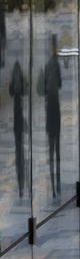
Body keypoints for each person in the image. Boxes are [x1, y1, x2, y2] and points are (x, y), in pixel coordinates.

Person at [41, 34, 62, 198]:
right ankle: (56, 184)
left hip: (51, 109)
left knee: (53, 148)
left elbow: (43, 89)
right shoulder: (53, 66)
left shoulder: (49, 66)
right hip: (54, 109)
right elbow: (59, 84)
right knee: (55, 148)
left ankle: (55, 184)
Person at [9, 60, 26, 199]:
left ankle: (21, 186)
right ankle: (22, 185)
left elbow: (10, 92)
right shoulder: (20, 85)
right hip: (19, 119)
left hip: (17, 120)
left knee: (18, 147)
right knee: (20, 148)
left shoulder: (14, 87)